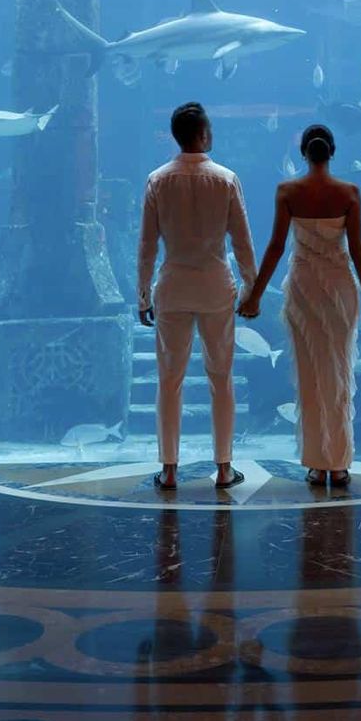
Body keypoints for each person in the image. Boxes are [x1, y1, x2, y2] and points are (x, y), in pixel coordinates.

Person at [238, 124, 361, 488]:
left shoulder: (288, 191)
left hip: (303, 290)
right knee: (340, 371)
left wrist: (254, 294)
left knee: (310, 374)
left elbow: (275, 247)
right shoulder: (350, 192)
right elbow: (359, 250)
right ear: (331, 153)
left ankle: (317, 464)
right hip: (340, 288)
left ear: (303, 153)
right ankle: (341, 463)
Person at [137, 101, 258, 491]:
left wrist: (142, 294)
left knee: (168, 380)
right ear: (204, 135)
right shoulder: (225, 179)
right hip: (215, 287)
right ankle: (224, 467)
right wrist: (251, 287)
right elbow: (242, 242)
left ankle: (169, 469)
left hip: (172, 286)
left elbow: (146, 246)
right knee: (220, 378)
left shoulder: (157, 179)